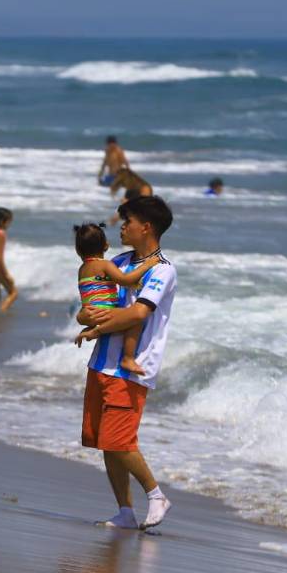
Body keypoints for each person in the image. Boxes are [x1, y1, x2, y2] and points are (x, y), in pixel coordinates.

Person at [76, 196, 178, 531]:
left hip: (131, 368)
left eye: (128, 221)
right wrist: (85, 317)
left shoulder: (162, 270)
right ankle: (124, 510)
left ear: (146, 227)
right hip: (100, 365)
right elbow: (86, 306)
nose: (122, 226)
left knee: (120, 440)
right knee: (104, 441)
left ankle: (156, 494)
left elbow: (138, 312)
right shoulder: (116, 262)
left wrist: (99, 323)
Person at [72, 223, 154, 376]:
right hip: (105, 311)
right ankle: (128, 359)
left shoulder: (82, 269)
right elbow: (124, 280)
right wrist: (146, 266)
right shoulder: (105, 265)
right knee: (134, 320)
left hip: (89, 313)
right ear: (106, 245)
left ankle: (93, 328)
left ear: (78, 250)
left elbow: (98, 284)